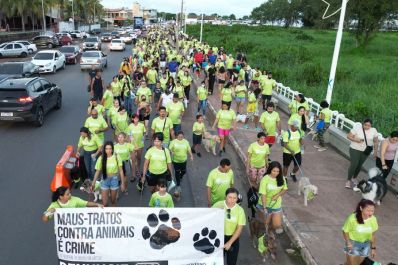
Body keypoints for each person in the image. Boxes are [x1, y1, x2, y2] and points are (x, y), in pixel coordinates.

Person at [212, 188, 246, 265]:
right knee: (216, 261)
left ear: (237, 199)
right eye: (230, 197)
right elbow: (209, 217)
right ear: (225, 197)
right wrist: (216, 211)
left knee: (232, 262)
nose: (232, 200)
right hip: (218, 237)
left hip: (233, 238)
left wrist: (229, 243)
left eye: (235, 198)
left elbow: (239, 229)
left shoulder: (240, 210)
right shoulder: (218, 205)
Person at [342, 199, 378, 265]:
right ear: (361, 208)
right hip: (353, 244)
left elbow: (373, 235)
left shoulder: (373, 219)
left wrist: (373, 248)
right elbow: (345, 231)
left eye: (372, 211)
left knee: (355, 263)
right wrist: (348, 242)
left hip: (365, 245)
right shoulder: (352, 219)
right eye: (368, 210)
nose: (370, 213)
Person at [346, 119, 379, 189]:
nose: (367, 127)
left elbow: (376, 142)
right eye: (365, 125)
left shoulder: (374, 130)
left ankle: (354, 178)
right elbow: (348, 136)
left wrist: (375, 152)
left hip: (366, 151)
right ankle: (348, 180)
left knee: (359, 165)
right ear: (362, 124)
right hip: (355, 148)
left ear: (371, 125)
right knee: (354, 164)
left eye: (369, 125)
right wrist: (356, 140)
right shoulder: (357, 128)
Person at [92, 141, 126, 207]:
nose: (108, 151)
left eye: (110, 149)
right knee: (104, 203)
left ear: (112, 149)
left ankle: (114, 215)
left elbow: (121, 171)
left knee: (113, 201)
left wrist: (123, 183)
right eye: (106, 149)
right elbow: (97, 171)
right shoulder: (101, 158)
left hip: (114, 180)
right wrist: (93, 183)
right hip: (104, 180)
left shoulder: (117, 156)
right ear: (104, 149)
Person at [257, 161, 287, 232]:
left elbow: (285, 189)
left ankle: (270, 230)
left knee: (276, 225)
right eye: (274, 171)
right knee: (265, 225)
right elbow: (263, 194)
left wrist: (277, 195)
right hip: (264, 205)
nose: (276, 173)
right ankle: (266, 238)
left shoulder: (281, 178)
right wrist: (264, 208)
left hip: (276, 205)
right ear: (270, 170)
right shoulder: (265, 179)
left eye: (278, 171)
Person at [169, 131, 193, 198]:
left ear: (183, 136)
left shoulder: (186, 142)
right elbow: (170, 148)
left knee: (184, 171)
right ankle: (178, 184)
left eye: (182, 137)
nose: (180, 138)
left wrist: (191, 155)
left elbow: (189, 149)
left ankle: (180, 176)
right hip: (176, 160)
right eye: (179, 137)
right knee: (177, 172)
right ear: (177, 136)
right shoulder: (173, 142)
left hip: (184, 160)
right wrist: (172, 152)